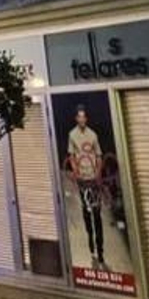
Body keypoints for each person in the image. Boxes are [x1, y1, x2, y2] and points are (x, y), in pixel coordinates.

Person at [64, 105, 107, 268]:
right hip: (82, 180)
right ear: (76, 118)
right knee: (87, 212)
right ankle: (91, 242)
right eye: (79, 117)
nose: (82, 119)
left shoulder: (93, 135)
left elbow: (99, 155)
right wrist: (76, 171)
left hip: (93, 179)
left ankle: (100, 250)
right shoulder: (72, 135)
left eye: (84, 117)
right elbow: (71, 156)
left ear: (86, 119)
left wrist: (98, 173)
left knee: (97, 214)